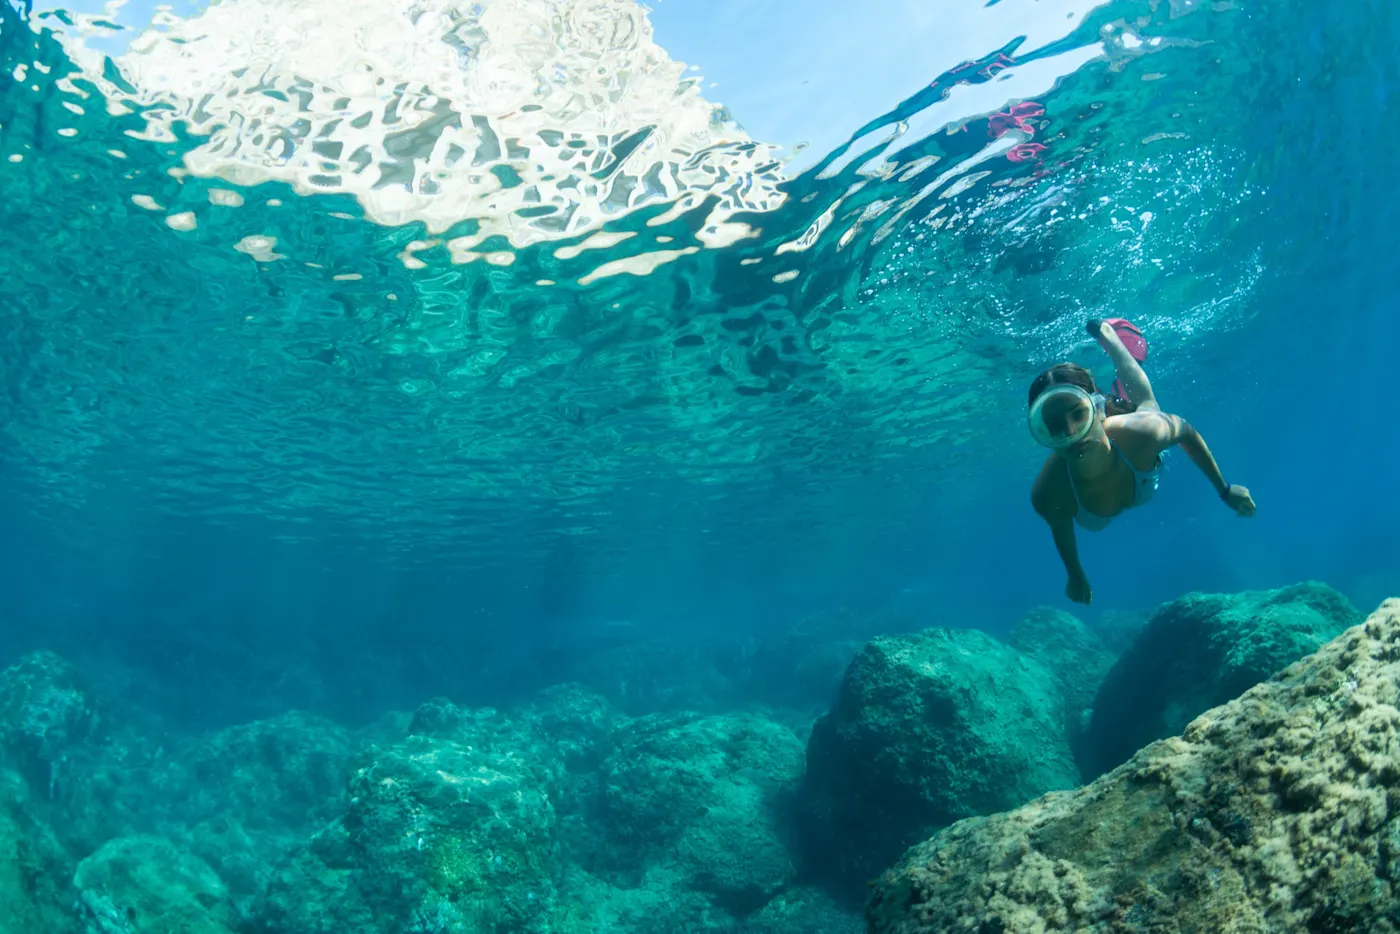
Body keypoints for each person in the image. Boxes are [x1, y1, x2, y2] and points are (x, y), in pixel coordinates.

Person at [1028, 318, 1256, 605]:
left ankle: (1111, 339)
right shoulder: (1048, 492)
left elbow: (1185, 432)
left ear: (1097, 408)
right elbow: (1061, 531)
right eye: (1055, 425)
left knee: (1146, 403)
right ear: (1043, 432)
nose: (1071, 433)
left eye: (1078, 414)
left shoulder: (1142, 433)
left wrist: (1224, 489)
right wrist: (1075, 574)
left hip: (1130, 435)